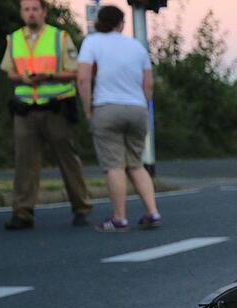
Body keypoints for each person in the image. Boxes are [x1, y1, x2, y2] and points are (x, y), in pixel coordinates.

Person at [0, 0, 93, 230]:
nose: (30, 13)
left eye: (34, 9)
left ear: (43, 12)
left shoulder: (59, 38)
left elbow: (74, 72)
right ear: (21, 13)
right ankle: (22, 212)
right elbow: (9, 71)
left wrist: (48, 75)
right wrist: (22, 78)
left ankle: (81, 208)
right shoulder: (13, 39)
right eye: (26, 9)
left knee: (67, 159)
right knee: (24, 162)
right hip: (25, 109)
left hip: (55, 108)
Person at [76, 4, 161, 232]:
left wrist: (88, 109)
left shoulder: (92, 42)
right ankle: (152, 212)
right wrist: (143, 105)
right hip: (137, 110)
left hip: (107, 107)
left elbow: (83, 78)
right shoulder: (137, 46)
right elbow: (148, 83)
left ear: (98, 22)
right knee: (135, 163)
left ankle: (119, 218)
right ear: (121, 23)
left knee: (114, 165)